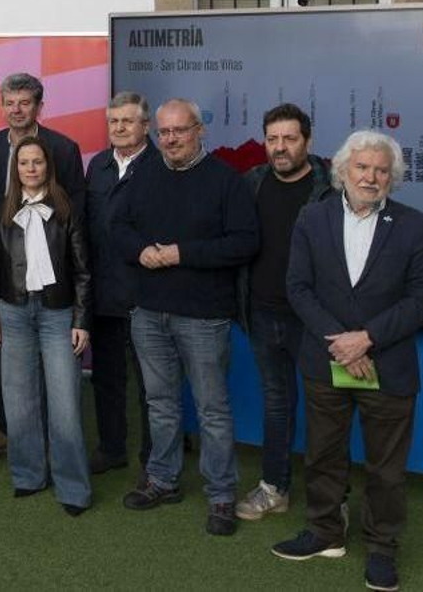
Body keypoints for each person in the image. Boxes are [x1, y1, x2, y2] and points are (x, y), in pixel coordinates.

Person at [271, 131, 423, 592]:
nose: (372, 176)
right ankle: (325, 532)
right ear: (343, 171)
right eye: (363, 167)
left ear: (393, 178)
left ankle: (382, 548)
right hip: (325, 360)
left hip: (388, 362)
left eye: (382, 170)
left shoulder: (416, 226)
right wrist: (341, 344)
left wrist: (366, 340)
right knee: (324, 453)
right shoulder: (312, 217)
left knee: (386, 466)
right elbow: (299, 288)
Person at [111, 98, 258, 536]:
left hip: (203, 316)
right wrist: (140, 250)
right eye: (164, 132)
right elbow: (116, 227)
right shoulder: (144, 174)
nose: (170, 139)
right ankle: (163, 479)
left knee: (212, 409)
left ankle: (221, 495)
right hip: (149, 312)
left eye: (180, 130)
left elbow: (245, 242)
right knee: (161, 403)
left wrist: (181, 254)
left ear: (200, 130)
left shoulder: (226, 182)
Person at [0, 137, 92, 516]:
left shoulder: (66, 210)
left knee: (64, 405)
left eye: (37, 162)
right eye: (24, 163)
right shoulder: (3, 211)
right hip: (13, 313)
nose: (31, 168)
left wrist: (81, 320)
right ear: (16, 169)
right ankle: (28, 475)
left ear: (48, 167)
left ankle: (73, 487)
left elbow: (82, 271)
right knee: (19, 401)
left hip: (57, 315)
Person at [235, 103, 334, 522]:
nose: (280, 147)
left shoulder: (333, 187)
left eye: (289, 138)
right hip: (261, 313)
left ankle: (332, 497)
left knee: (326, 407)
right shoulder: (252, 182)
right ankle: (275, 487)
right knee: (277, 402)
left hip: (313, 319)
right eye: (272, 139)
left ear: (307, 142)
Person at [0, 72, 86, 451]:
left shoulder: (64, 148)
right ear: (1, 105)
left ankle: (52, 439)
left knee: (57, 372)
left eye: (25, 102)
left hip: (54, 278)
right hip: (7, 276)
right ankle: (7, 430)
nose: (17, 110)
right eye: (10, 102)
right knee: (7, 360)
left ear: (39, 106)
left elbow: (77, 214)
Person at [83, 92, 156, 476]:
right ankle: (111, 448)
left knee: (153, 386)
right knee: (107, 379)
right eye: (114, 121)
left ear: (146, 126)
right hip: (104, 294)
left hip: (148, 296)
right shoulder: (97, 166)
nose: (120, 128)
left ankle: (153, 458)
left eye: (128, 121)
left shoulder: (162, 166)